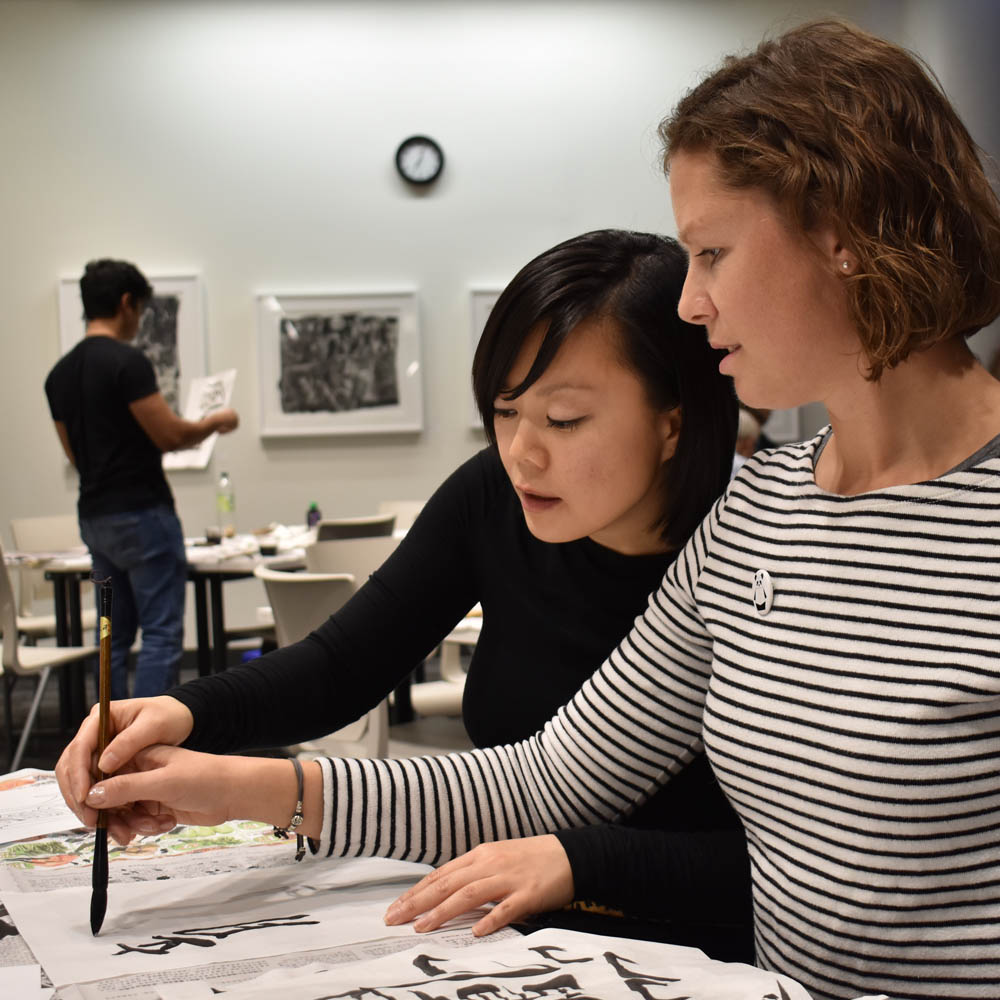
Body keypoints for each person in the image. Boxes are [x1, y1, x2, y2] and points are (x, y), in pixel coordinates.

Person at [64, 20, 1000, 999]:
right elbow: (545, 781)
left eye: (713, 252)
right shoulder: (760, 510)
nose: (691, 303)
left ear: (844, 233)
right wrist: (217, 782)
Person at [55, 231, 748, 957]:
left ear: (673, 421)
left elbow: (774, 855)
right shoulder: (498, 496)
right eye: (504, 410)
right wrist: (180, 712)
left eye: (564, 420)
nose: (522, 454)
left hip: (693, 950)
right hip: (506, 928)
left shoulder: (738, 553)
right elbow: (346, 666)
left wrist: (581, 861)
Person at [44, 259, 239, 699]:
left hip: (95, 516)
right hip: (142, 513)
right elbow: (170, 435)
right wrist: (216, 421)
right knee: (161, 634)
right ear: (127, 303)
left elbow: (75, 455)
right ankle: (146, 736)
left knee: (112, 637)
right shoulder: (127, 363)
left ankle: (109, 732)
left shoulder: (59, 375)